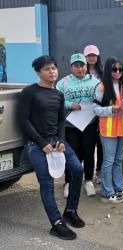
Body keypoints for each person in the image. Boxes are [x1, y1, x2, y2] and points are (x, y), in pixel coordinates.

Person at [19, 56, 85, 240]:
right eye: (47, 69)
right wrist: (42, 144)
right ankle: (56, 223)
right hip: (37, 144)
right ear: (39, 72)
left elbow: (61, 120)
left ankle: (70, 210)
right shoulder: (30, 92)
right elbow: (23, 121)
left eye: (54, 68)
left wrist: (62, 140)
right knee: (47, 183)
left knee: (77, 170)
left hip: (57, 141)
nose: (52, 72)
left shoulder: (58, 94)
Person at [93, 57, 123, 203]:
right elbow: (95, 110)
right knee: (108, 161)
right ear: (108, 70)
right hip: (109, 130)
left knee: (118, 160)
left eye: (120, 69)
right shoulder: (101, 87)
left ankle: (119, 187)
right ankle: (107, 192)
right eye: (114, 69)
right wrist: (111, 109)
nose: (118, 72)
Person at [56, 54, 100, 198]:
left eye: (82, 65)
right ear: (71, 68)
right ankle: (69, 182)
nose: (80, 69)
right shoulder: (63, 83)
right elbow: (56, 100)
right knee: (72, 154)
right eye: (76, 66)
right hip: (70, 125)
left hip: (90, 124)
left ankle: (88, 180)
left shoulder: (95, 82)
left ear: (86, 67)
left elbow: (101, 99)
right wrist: (70, 105)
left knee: (88, 152)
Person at [84, 44, 104, 185]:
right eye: (89, 55)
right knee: (88, 145)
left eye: (94, 55)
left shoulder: (103, 73)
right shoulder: (80, 73)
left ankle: (99, 171)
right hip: (85, 114)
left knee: (102, 144)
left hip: (101, 113)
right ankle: (86, 174)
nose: (91, 58)